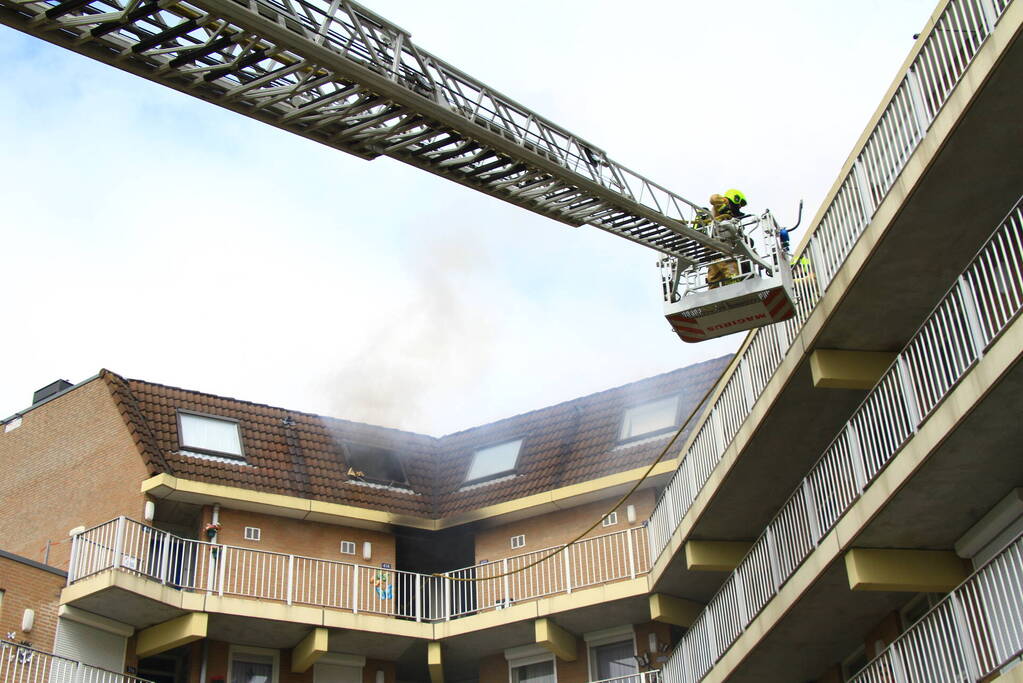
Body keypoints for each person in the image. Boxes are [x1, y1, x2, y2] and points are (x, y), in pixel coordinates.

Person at [706, 189, 748, 288]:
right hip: (720, 247)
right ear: (735, 199)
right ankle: (735, 287)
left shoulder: (732, 219)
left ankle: (715, 293)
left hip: (718, 250)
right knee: (731, 270)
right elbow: (713, 198)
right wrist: (725, 204)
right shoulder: (720, 207)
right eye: (740, 204)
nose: (740, 207)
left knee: (715, 276)